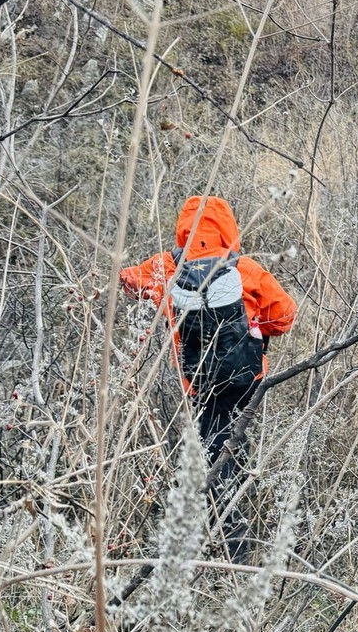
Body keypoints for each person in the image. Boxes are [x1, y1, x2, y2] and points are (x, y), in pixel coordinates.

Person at [120, 196, 296, 551]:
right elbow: (285, 316)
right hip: (247, 381)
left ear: (183, 230)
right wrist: (255, 323)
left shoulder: (166, 268)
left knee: (215, 446)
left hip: (197, 382)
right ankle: (234, 536)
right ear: (229, 228)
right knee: (230, 440)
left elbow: (127, 281)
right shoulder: (246, 269)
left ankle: (229, 531)